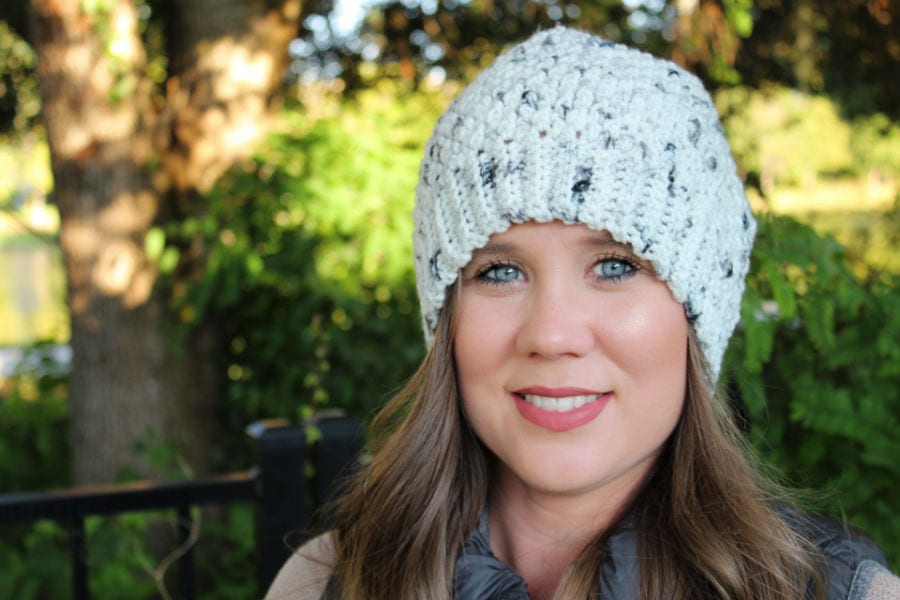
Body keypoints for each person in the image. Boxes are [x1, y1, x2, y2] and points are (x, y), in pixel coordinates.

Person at [266, 26, 899, 599]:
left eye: (616, 265)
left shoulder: (842, 592)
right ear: (446, 319)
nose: (552, 333)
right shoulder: (325, 583)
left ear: (696, 317)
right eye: (501, 271)